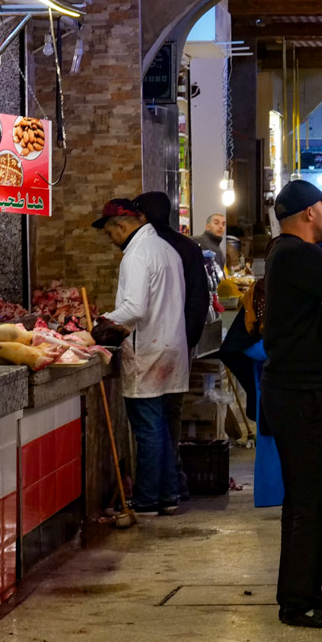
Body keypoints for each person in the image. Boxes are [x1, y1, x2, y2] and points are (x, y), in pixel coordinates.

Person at [261, 180, 322, 629]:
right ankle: (301, 601)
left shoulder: (283, 253)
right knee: (314, 499)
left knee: (303, 499)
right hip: (302, 394)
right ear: (309, 212)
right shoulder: (300, 254)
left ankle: (297, 595)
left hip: (292, 391)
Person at [92, 199, 190, 516]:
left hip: (149, 349)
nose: (110, 240)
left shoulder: (136, 255)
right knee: (160, 426)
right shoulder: (166, 250)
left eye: (110, 233)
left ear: (122, 226)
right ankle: (168, 496)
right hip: (171, 346)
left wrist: (99, 325)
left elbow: (134, 309)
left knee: (148, 430)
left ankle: (146, 500)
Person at [134, 191, 211, 501]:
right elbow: (200, 300)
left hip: (154, 347)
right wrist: (186, 340)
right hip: (179, 345)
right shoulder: (187, 247)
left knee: (153, 419)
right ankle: (173, 482)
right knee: (171, 414)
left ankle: (160, 488)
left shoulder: (144, 249)